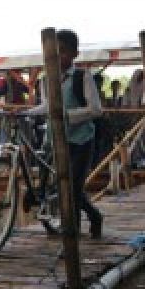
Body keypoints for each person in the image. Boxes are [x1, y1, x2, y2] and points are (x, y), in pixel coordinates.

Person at [30, 29, 104, 238]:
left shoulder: (83, 77)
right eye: (54, 52)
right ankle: (94, 215)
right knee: (67, 188)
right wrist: (24, 112)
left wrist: (67, 115)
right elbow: (47, 105)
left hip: (81, 140)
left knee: (72, 189)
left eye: (63, 52)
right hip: (55, 140)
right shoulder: (46, 79)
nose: (57, 57)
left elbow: (96, 109)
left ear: (74, 54)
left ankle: (72, 239)